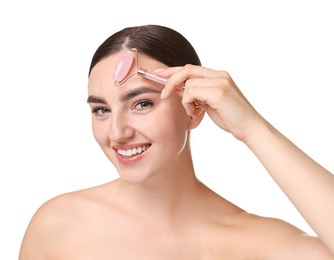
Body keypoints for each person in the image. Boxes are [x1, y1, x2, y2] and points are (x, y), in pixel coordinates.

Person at [19, 24, 334, 259]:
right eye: (102, 109)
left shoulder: (259, 245)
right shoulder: (58, 224)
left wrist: (253, 128)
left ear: (195, 108)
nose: (116, 133)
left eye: (142, 103)